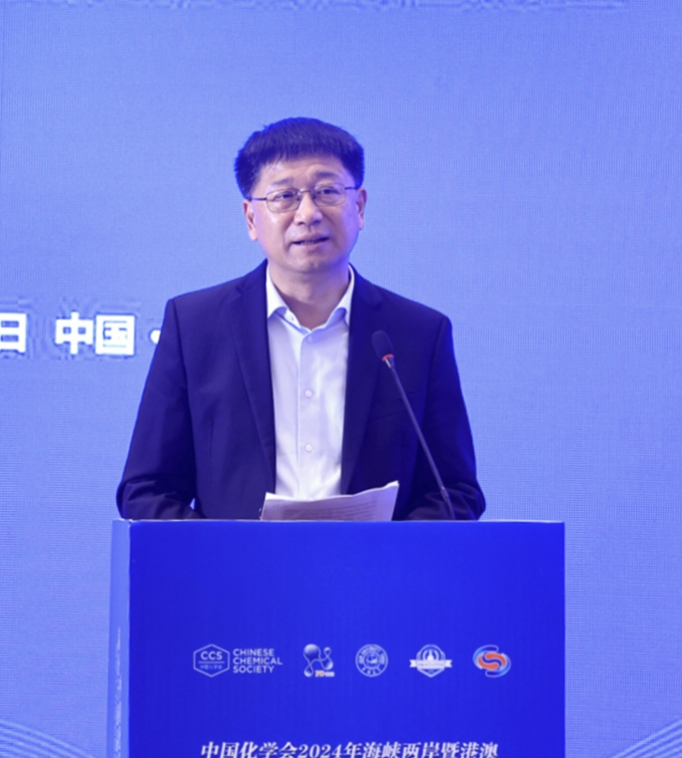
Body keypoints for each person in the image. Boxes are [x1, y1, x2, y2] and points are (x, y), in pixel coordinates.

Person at [117, 117, 484, 520]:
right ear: (251, 218)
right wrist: (223, 551)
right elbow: (146, 490)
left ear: (359, 206)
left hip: (373, 563)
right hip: (237, 563)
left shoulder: (418, 333)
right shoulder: (195, 326)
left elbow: (454, 491)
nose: (308, 214)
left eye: (327, 192)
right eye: (284, 196)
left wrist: (388, 551)